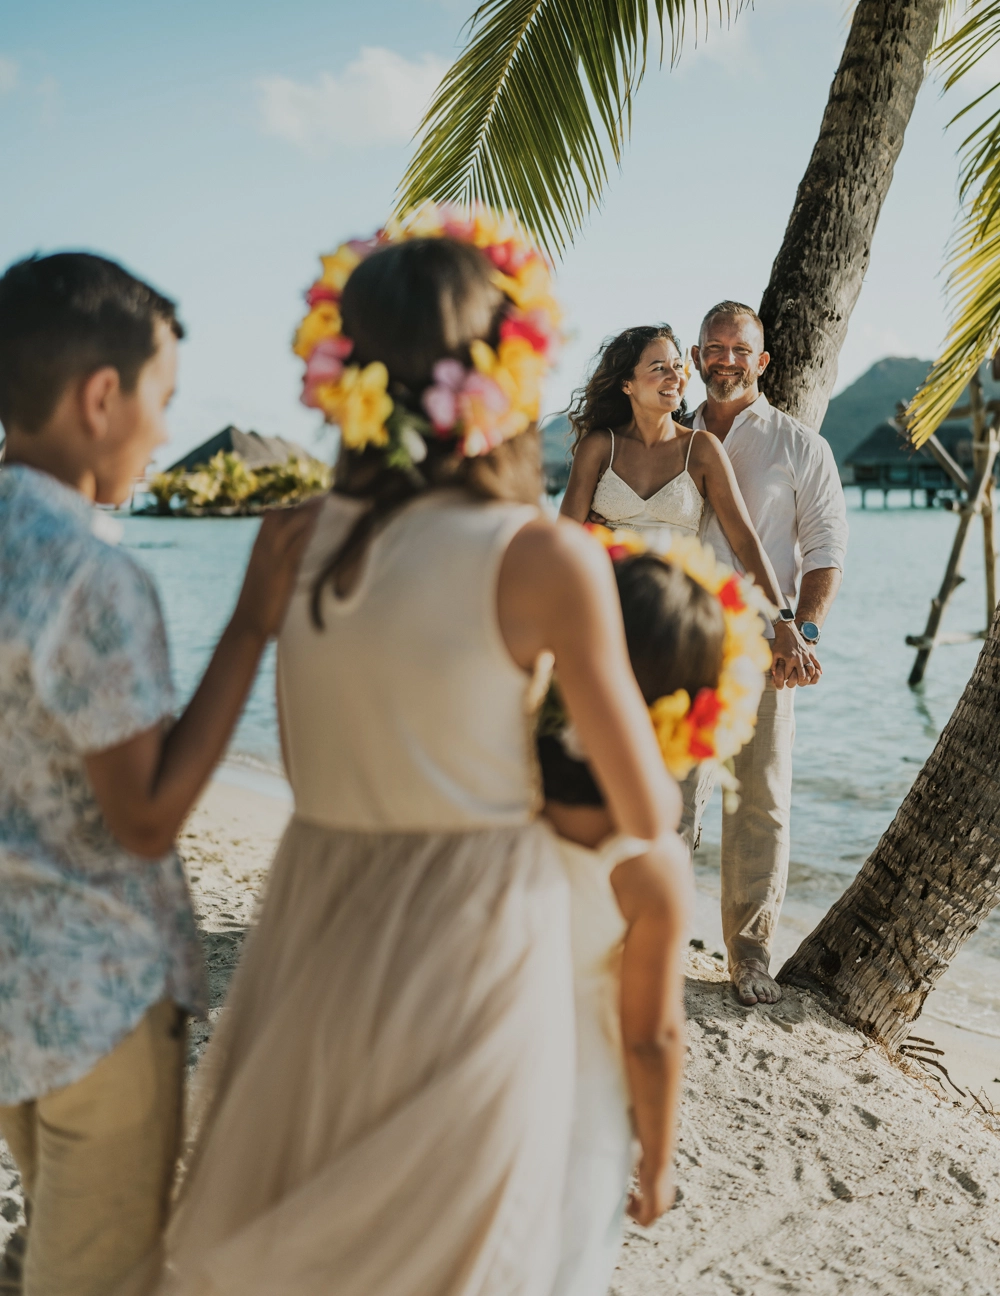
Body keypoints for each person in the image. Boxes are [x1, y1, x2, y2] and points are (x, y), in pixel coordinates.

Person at [136, 231, 679, 1296]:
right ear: (504, 371)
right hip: (468, 937)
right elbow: (645, 806)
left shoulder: (294, 539)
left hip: (315, 916)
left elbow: (302, 763)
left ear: (346, 375)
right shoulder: (540, 557)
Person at [0, 253, 315, 1296]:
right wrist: (253, 621)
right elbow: (142, 818)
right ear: (101, 397)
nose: (161, 430)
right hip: (100, 1008)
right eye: (161, 400)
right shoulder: (93, 569)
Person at [538, 549, 727, 1296]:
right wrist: (655, 1163)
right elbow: (651, 1037)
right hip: (574, 1103)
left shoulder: (500, 784)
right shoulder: (649, 863)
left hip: (464, 1063)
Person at [685, 300, 848, 1007]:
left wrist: (802, 634)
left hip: (763, 642)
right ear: (695, 359)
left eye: (739, 349)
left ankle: (749, 955)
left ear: (763, 362)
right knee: (669, 795)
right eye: (713, 349)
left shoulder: (797, 445)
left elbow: (825, 549)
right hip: (672, 641)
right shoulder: (665, 435)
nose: (726, 360)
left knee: (760, 802)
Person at [559, 324, 799, 638]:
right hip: (604, 610)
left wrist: (784, 623)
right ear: (626, 384)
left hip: (678, 618)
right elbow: (563, 538)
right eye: (658, 368)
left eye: (676, 366)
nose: (674, 377)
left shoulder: (701, 448)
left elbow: (745, 541)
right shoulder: (600, 447)